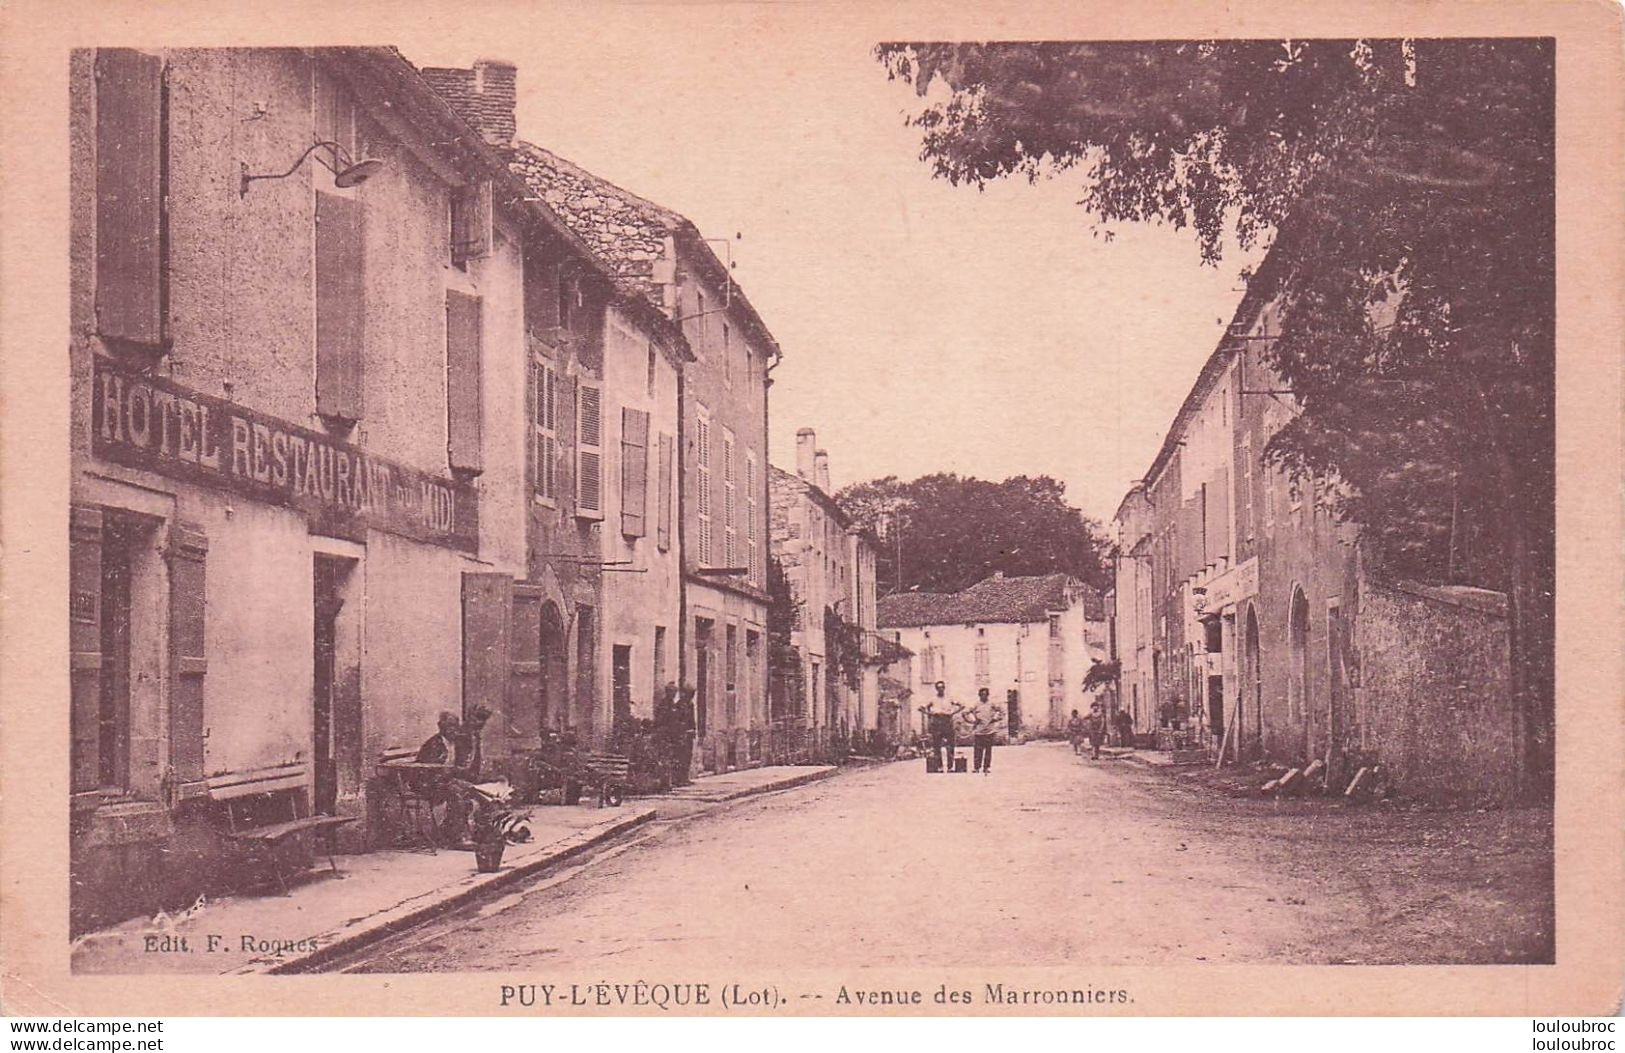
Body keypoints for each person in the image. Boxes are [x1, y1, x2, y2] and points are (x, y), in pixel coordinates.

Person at [415, 710, 471, 845]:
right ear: (441, 726)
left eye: (456, 726)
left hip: (446, 782)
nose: (454, 730)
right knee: (457, 794)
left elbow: (461, 766)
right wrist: (451, 778)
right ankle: (456, 838)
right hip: (429, 784)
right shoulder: (434, 744)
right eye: (450, 726)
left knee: (473, 791)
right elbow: (427, 772)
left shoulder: (457, 744)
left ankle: (454, 830)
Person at [918, 682, 963, 773]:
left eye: (942, 687)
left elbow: (962, 705)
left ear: (944, 688)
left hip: (947, 721)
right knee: (937, 746)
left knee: (950, 745)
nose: (940, 689)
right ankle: (939, 766)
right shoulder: (932, 699)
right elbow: (921, 708)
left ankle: (950, 767)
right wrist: (930, 714)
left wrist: (953, 713)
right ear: (936, 689)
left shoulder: (949, 698)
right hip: (937, 722)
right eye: (938, 688)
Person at [968, 687, 1003, 774]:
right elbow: (966, 713)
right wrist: (973, 721)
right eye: (982, 694)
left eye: (985, 694)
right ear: (979, 695)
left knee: (988, 750)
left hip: (989, 731)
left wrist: (996, 718)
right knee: (977, 751)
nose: (984, 696)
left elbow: (1002, 711)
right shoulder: (976, 705)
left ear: (988, 695)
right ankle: (976, 767)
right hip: (979, 731)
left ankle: (986, 767)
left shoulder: (992, 704)